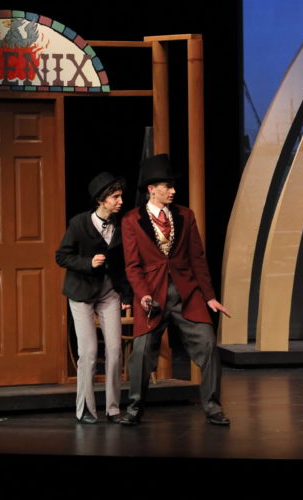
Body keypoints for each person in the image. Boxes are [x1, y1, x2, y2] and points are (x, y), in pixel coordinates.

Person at [119, 154, 231, 426]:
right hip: (151, 295)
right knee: (141, 353)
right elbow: (132, 265)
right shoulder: (132, 220)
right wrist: (143, 294)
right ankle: (134, 408)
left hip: (186, 293)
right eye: (167, 186)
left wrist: (209, 296)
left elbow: (197, 258)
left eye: (173, 186)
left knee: (208, 345)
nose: (173, 191)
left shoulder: (185, 215)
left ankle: (213, 407)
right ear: (151, 189)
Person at [56, 172, 132, 424]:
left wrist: (126, 294)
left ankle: (113, 408)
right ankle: (85, 409)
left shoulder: (121, 225)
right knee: (88, 351)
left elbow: (124, 264)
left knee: (114, 350)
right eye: (115, 197)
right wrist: (88, 262)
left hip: (109, 292)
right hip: (81, 293)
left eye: (121, 196)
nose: (120, 201)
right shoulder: (79, 223)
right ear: (101, 200)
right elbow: (62, 256)